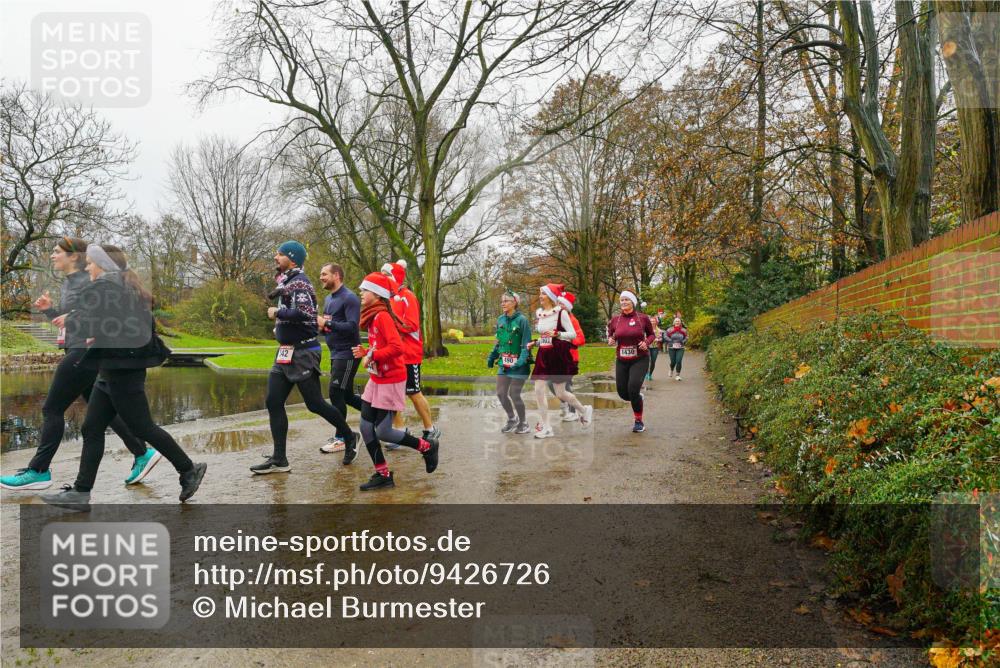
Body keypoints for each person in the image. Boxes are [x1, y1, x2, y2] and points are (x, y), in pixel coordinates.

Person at [41, 244, 207, 511]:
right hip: (112, 367)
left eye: (91, 263)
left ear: (103, 265)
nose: (87, 267)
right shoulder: (120, 286)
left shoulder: (106, 287)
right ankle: (81, 493)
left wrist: (68, 320)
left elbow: (95, 323)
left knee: (143, 427)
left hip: (122, 370)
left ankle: (189, 469)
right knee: (91, 428)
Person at [1, 238, 160, 491]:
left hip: (83, 352)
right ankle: (142, 452)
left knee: (52, 409)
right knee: (105, 411)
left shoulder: (89, 280)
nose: (52, 255)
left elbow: (101, 315)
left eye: (57, 252)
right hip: (80, 350)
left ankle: (38, 471)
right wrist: (51, 311)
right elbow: (71, 321)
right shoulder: (70, 282)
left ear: (73, 256)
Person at [252, 242, 357, 474]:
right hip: (285, 352)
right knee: (273, 401)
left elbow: (305, 312)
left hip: (303, 352)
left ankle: (350, 437)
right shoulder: (288, 281)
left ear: (292, 258)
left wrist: (277, 313)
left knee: (315, 403)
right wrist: (281, 326)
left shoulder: (300, 282)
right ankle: (279, 459)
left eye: (280, 254)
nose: (275, 257)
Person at [352, 272, 440, 490]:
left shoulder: (382, 316)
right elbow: (380, 345)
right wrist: (367, 351)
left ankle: (426, 447)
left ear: (377, 294)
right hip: (377, 378)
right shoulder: (372, 316)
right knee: (365, 427)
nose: (361, 292)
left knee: (383, 432)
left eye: (365, 289)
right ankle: (383, 474)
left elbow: (396, 348)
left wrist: (372, 355)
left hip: (390, 380)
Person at [381, 261, 440, 446]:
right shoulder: (386, 298)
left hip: (409, 354)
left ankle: (430, 428)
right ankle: (399, 431)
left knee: (413, 392)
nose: (384, 278)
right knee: (392, 394)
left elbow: (412, 325)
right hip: (392, 354)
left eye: (387, 274)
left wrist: (391, 325)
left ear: (396, 277)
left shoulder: (408, 297)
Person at [526, 283, 592, 439]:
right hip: (543, 355)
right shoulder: (541, 314)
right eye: (540, 293)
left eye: (543, 294)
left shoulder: (561, 313)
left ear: (550, 297)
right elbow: (545, 336)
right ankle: (547, 427)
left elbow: (572, 334)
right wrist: (535, 343)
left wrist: (558, 334)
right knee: (538, 390)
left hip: (557, 356)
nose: (540, 296)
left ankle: (583, 410)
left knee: (561, 393)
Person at [316, 262, 362, 462]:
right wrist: (320, 327)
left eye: (324, 274)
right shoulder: (329, 299)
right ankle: (380, 415)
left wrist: (326, 323)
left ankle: (342, 438)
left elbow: (352, 327)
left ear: (336, 275)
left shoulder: (349, 298)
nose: (321, 277)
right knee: (348, 396)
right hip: (335, 353)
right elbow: (330, 326)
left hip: (348, 353)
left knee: (335, 392)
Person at [607, 290, 655, 433]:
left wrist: (646, 342)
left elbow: (651, 334)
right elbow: (611, 334)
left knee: (633, 389)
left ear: (632, 302)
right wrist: (611, 339)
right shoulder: (615, 320)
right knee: (623, 393)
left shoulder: (642, 318)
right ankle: (638, 397)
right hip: (622, 360)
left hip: (639, 359)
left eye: (626, 300)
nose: (623, 302)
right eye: (622, 300)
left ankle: (638, 421)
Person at [487, 290, 532, 434]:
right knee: (501, 393)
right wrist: (492, 356)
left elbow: (527, 344)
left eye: (506, 301)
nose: (503, 303)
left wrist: (521, 360)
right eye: (502, 301)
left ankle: (524, 423)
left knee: (514, 394)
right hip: (504, 363)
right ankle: (512, 419)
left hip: (520, 364)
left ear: (515, 303)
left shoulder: (522, 320)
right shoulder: (500, 319)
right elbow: (499, 341)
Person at [548, 291, 586, 421]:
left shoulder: (572, 320)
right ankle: (564, 403)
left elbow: (581, 339)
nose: (559, 306)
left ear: (568, 306)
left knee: (565, 385)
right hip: (556, 357)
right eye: (558, 303)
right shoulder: (555, 319)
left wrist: (567, 340)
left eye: (562, 304)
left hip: (569, 358)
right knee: (550, 383)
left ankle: (573, 412)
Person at [664, 316, 688, 381]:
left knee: (679, 361)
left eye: (678, 321)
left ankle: (677, 375)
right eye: (676, 321)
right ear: (674, 322)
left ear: (680, 322)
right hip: (671, 347)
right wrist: (670, 340)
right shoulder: (669, 329)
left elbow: (686, 337)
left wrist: (683, 341)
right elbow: (665, 336)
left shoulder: (684, 330)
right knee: (673, 361)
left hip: (681, 347)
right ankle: (671, 369)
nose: (677, 322)